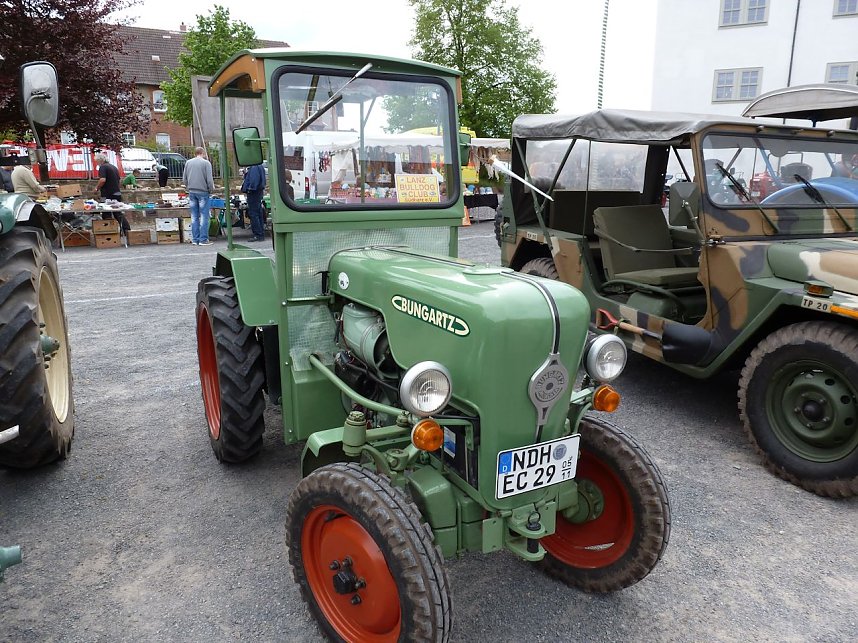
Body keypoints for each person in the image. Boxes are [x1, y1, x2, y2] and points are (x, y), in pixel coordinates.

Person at [182, 147, 215, 246]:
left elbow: (184, 178)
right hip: (203, 192)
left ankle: (195, 239)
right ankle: (203, 239)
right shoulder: (206, 163)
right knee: (204, 216)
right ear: (203, 153)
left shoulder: (188, 163)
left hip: (192, 192)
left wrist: (188, 187)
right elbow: (209, 180)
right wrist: (211, 189)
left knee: (194, 216)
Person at [93, 154, 131, 236]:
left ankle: (109, 231)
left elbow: (102, 180)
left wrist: (96, 188)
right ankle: (126, 230)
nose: (97, 163)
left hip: (107, 193)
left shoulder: (103, 167)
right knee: (118, 212)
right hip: (116, 192)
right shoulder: (113, 167)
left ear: (100, 160)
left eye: (97, 161)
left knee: (106, 212)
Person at [241, 162, 267, 242]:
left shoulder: (254, 166)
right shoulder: (259, 166)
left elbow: (254, 179)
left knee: (254, 214)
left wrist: (250, 189)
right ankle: (260, 233)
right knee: (258, 213)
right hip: (258, 192)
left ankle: (258, 234)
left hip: (253, 193)